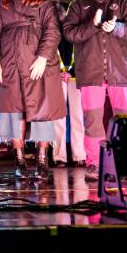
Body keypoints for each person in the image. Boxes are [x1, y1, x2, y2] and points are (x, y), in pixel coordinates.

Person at [0, 0, 66, 180]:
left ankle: (41, 158)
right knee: (14, 111)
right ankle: (19, 159)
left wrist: (42, 57)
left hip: (39, 63)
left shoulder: (45, 0)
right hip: (10, 61)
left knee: (43, 110)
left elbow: (52, 31)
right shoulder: (0, 1)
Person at [63, 0, 127, 180]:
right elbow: (70, 34)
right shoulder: (77, 5)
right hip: (90, 73)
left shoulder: (123, 0)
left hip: (121, 72)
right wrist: (93, 25)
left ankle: (125, 162)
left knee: (124, 120)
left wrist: (116, 27)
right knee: (92, 121)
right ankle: (94, 164)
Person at [51, 31, 86, 168]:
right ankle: (59, 157)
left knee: (78, 116)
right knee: (58, 118)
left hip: (77, 75)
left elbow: (85, 50)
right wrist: (56, 72)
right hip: (56, 76)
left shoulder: (77, 23)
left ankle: (79, 156)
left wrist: (71, 72)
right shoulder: (52, 25)